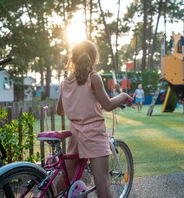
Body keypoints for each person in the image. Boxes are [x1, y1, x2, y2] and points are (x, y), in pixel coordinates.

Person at [56, 40, 132, 198]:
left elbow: (59, 111)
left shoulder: (65, 83)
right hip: (94, 133)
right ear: (94, 58)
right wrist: (124, 96)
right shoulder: (93, 78)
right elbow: (108, 105)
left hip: (75, 134)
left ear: (73, 58)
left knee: (66, 178)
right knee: (102, 182)